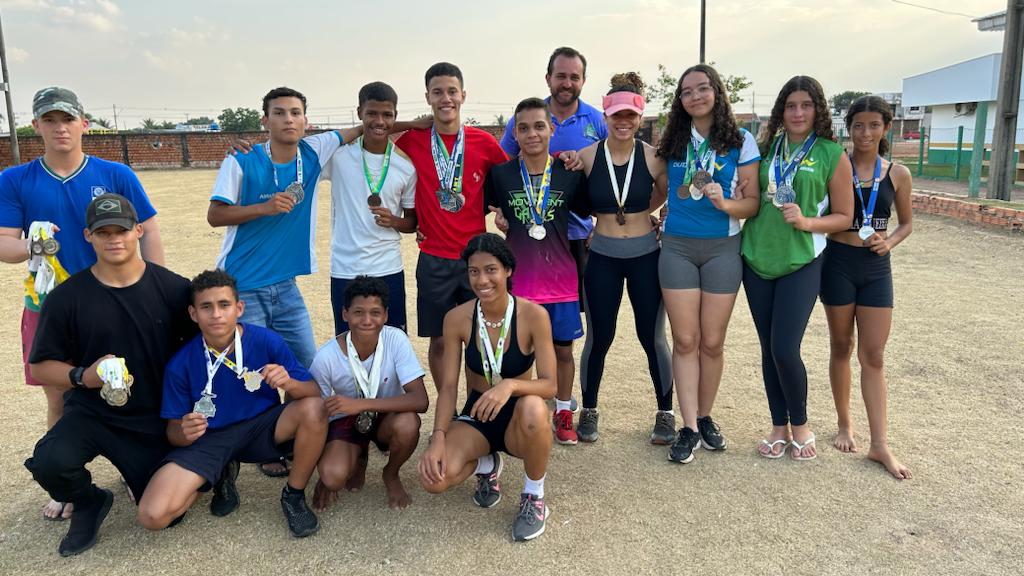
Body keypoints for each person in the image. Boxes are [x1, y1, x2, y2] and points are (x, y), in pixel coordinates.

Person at [0, 87, 165, 520]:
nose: (59, 128)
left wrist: (154, 289)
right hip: (49, 303)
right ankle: (66, 482)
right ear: (35, 125)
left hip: (116, 300)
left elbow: (147, 230)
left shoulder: (116, 173)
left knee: (128, 387)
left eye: (68, 119)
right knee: (60, 395)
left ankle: (133, 470)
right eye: (49, 120)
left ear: (83, 125)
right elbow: (4, 243)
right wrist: (32, 246)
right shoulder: (15, 179)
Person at [22, 194, 194, 556]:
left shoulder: (175, 290)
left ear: (139, 231)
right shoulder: (67, 298)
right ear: (88, 236)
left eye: (122, 230)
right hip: (93, 413)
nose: (114, 239)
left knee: (166, 512)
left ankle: (145, 476)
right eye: (104, 232)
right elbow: (40, 366)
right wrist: (85, 376)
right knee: (50, 464)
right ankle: (89, 502)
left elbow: (200, 356)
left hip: (153, 418)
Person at [136, 269, 328, 538]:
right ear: (193, 314)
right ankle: (217, 473)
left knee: (313, 410)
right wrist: (184, 431)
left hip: (262, 428)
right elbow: (173, 431)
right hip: (210, 440)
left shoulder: (266, 341)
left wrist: (290, 383)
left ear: (239, 308)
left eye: (224, 305)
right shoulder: (180, 364)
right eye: (206, 307)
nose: (216, 314)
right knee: (153, 515)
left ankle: (293, 495)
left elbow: (314, 391)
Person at [740, 76, 853, 461]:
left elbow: (844, 216)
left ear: (817, 109)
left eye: (806, 105)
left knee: (785, 347)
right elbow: (752, 197)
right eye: (791, 106)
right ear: (781, 111)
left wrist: (807, 222)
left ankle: (800, 424)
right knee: (768, 348)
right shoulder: (766, 148)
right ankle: (777, 425)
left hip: (801, 260)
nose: (798, 112)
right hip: (755, 258)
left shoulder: (830, 154)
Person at [207, 86, 361, 368]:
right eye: (279, 113)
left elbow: (364, 127)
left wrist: (416, 125)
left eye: (295, 113)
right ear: (265, 121)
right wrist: (264, 208)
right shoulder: (240, 159)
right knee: (251, 371)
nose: (288, 119)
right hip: (244, 285)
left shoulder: (314, 150)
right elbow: (215, 215)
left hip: (286, 286)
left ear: (305, 121)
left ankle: (296, 414)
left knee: (305, 369)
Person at [418, 233, 556, 542]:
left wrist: (509, 385)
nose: (482, 279)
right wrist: (438, 437)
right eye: (474, 271)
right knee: (434, 479)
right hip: (478, 414)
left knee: (535, 406)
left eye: (491, 269)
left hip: (520, 415)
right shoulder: (457, 318)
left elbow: (550, 385)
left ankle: (534, 496)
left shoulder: (534, 316)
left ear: (508, 270)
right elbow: (450, 386)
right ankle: (487, 462)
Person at [654, 64, 760, 463]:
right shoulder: (673, 141)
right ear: (680, 101)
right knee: (685, 340)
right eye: (686, 92)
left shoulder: (741, 140)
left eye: (702, 88)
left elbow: (752, 204)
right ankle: (689, 427)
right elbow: (652, 182)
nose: (695, 96)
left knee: (712, 342)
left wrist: (725, 203)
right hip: (678, 247)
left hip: (722, 248)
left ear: (717, 91)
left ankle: (706, 414)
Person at [498, 46, 606, 418]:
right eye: (561, 75)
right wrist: (501, 212)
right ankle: (525, 411)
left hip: (572, 245)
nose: (567, 82)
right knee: (520, 344)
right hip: (524, 254)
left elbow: (607, 175)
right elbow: (500, 172)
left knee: (564, 345)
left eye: (574, 76)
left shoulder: (595, 121)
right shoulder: (523, 123)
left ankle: (565, 409)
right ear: (549, 78)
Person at [572, 73, 674, 445]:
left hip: (646, 254)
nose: (623, 122)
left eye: (630, 115)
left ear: (640, 116)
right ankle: (590, 409)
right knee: (600, 337)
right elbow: (568, 191)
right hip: (602, 256)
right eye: (617, 115)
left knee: (652, 337)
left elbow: (664, 195)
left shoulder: (653, 158)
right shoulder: (585, 157)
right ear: (606, 114)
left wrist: (642, 213)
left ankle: (665, 413)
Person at [395, 63, 507, 390]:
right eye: (438, 92)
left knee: (478, 338)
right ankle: (447, 406)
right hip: (432, 258)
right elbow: (374, 129)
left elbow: (511, 178)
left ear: (463, 95)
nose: (446, 98)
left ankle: (475, 404)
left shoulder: (483, 141)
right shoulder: (414, 140)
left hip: (475, 259)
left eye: (452, 91)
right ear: (428, 97)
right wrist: (412, 122)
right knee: (441, 341)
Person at [486, 97, 590, 444]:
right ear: (514, 133)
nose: (532, 134)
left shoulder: (568, 172)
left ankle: (562, 411)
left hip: (561, 281)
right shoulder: (500, 175)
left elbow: (595, 209)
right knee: (516, 353)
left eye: (539, 126)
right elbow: (483, 208)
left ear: (552, 129)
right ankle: (518, 411)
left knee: (563, 352)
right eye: (524, 127)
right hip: (519, 285)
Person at [821, 95, 913, 479]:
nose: (865, 132)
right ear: (848, 127)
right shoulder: (835, 165)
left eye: (874, 125)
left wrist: (888, 242)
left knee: (873, 355)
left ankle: (880, 444)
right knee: (842, 346)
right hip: (838, 263)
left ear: (885, 128)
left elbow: (906, 222)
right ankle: (845, 423)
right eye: (858, 125)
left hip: (876, 268)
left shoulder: (898, 173)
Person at [310, 275, 428, 510]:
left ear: (385, 315)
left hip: (386, 419)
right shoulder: (326, 357)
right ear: (345, 314)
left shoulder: (395, 339)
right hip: (346, 419)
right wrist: (322, 477)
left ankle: (391, 474)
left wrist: (363, 405)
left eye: (375, 313)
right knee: (333, 477)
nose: (366, 320)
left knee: (409, 424)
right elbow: (316, 416)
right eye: (358, 312)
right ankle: (359, 455)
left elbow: (420, 400)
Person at [320, 82, 418, 335]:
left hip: (388, 267)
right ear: (359, 112)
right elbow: (301, 150)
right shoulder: (338, 156)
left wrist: (394, 221)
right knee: (347, 342)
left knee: (393, 343)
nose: (379, 121)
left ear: (395, 116)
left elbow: (412, 223)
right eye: (371, 113)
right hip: (346, 268)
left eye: (387, 115)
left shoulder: (405, 166)